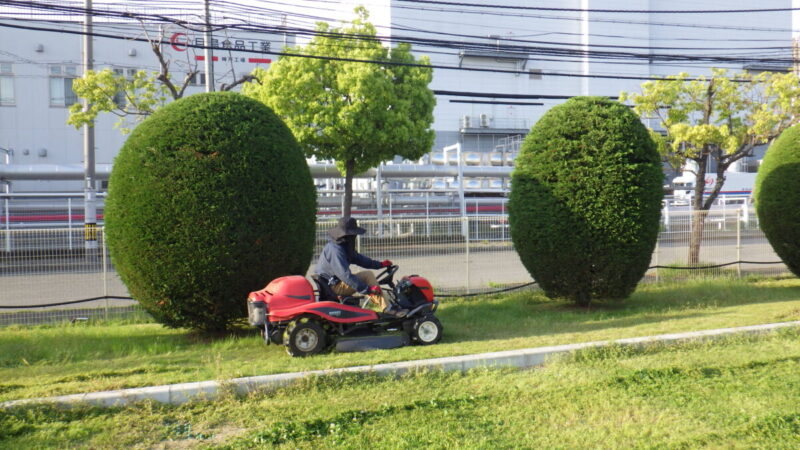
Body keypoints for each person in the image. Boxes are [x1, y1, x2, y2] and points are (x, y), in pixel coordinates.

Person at [315, 217, 407, 317]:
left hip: (335, 283)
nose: (355, 236)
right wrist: (368, 289)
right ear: (348, 235)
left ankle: (386, 306)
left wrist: (379, 264)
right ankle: (388, 309)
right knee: (367, 276)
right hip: (333, 287)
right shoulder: (336, 250)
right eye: (353, 234)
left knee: (367, 275)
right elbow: (345, 276)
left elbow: (358, 259)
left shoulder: (342, 245)